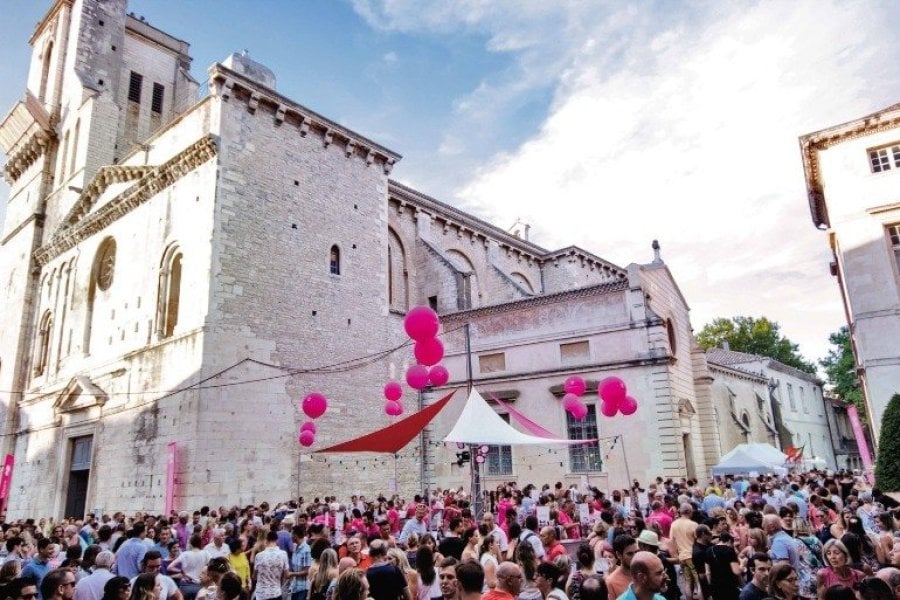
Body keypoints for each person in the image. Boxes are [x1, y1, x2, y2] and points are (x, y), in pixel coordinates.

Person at [669, 504, 698, 600]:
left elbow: (671, 541)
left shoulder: (674, 524)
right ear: (689, 511)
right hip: (693, 556)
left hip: (682, 556)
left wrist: (676, 556)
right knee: (698, 582)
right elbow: (697, 540)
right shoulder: (693, 524)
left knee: (688, 581)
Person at [167, 535, 208, 600]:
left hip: (185, 585)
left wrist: (181, 572)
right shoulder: (206, 553)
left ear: (191, 543)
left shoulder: (185, 554)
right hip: (199, 585)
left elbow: (169, 567)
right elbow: (212, 566)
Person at [252, 531, 289, 600]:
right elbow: (287, 575)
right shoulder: (283, 554)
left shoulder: (259, 556)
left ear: (266, 540)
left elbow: (254, 576)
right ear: (277, 540)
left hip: (261, 594)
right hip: (276, 593)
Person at [705, 531, 741, 600]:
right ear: (730, 541)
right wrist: (742, 565)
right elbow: (736, 571)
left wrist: (710, 586)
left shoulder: (709, 550)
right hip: (729, 585)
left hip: (715, 586)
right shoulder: (729, 550)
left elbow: (708, 572)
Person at [604, 534, 637, 600]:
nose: (634, 557)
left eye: (636, 552)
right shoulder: (611, 582)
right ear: (619, 555)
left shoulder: (643, 574)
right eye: (630, 554)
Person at [290, 525, 312, 600]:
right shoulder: (295, 547)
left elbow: (306, 571)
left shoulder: (306, 549)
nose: (291, 536)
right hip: (295, 586)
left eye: (292, 534)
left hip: (303, 588)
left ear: (295, 535)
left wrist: (292, 574)